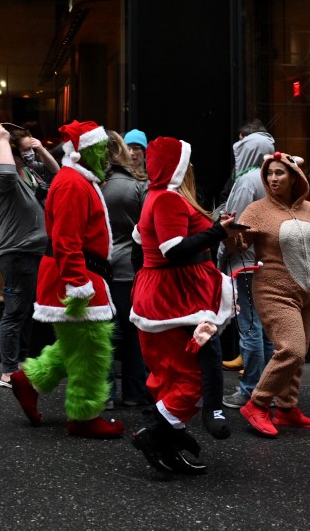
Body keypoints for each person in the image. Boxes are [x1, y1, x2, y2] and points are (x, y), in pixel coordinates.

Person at [6, 120, 125, 440]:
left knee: (75, 343)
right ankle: (84, 416)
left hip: (78, 274)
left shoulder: (75, 179)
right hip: (77, 276)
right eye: (101, 151)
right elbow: (67, 240)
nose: (106, 158)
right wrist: (78, 283)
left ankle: (28, 380)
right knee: (92, 347)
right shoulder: (73, 184)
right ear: (84, 152)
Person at [128, 137, 239, 475]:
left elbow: (140, 244)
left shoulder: (157, 197)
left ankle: (168, 439)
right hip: (174, 300)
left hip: (167, 297)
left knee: (171, 372)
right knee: (191, 375)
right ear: (180, 167)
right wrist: (218, 231)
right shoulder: (167, 200)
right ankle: (154, 434)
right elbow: (172, 249)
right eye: (188, 163)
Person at [225, 151, 310, 437]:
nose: (273, 178)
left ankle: (288, 409)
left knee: (300, 355)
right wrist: (230, 234)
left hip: (307, 293)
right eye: (269, 173)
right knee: (290, 350)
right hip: (273, 291)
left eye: (279, 172)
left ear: (294, 177)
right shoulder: (257, 209)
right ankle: (258, 403)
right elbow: (240, 246)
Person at [0, 123, 58, 389]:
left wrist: (40, 150)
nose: (31, 154)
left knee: (25, 310)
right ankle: (9, 371)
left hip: (32, 251)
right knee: (15, 311)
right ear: (13, 150)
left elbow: (58, 175)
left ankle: (21, 364)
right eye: (26, 149)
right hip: (16, 251)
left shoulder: (28, 172)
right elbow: (5, 170)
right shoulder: (4, 177)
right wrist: (2, 139)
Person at [217, 123, 277, 411]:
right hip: (268, 262)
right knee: (264, 328)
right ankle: (267, 388)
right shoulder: (276, 177)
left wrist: (220, 255)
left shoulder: (246, 181)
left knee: (250, 327)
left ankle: (250, 389)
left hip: (244, 263)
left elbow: (233, 226)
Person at [101, 129, 149, 407]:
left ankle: (106, 394)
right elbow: (145, 230)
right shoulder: (139, 186)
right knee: (134, 333)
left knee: (106, 330)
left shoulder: (99, 184)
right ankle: (134, 392)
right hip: (132, 268)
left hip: (104, 265)